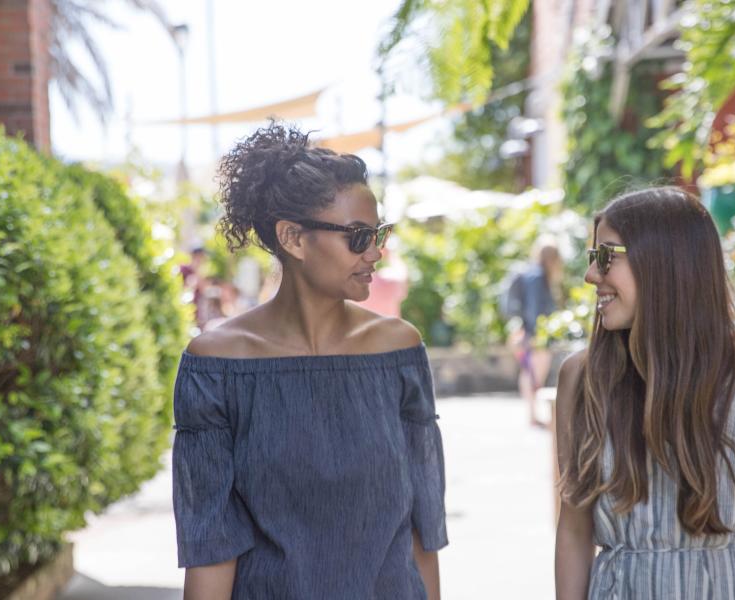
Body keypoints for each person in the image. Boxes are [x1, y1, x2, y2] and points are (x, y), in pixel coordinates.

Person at [172, 122, 448, 599]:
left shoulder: (399, 351)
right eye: (359, 236)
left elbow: (423, 529)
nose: (377, 252)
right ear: (293, 238)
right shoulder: (215, 366)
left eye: (379, 233)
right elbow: (211, 549)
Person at [554, 187, 735, 599]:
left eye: (607, 257)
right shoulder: (582, 378)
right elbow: (573, 531)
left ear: (664, 264)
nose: (591, 275)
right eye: (592, 257)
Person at [505, 240, 564, 427]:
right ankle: (532, 416)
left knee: (528, 373)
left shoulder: (530, 273)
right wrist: (535, 334)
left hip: (523, 331)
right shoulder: (538, 277)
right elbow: (535, 309)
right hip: (534, 334)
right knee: (534, 374)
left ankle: (531, 414)